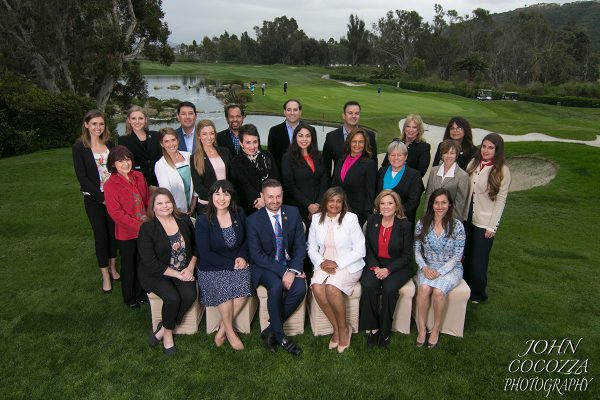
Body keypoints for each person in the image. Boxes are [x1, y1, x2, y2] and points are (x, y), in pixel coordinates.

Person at [246, 179, 306, 356]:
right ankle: (281, 337)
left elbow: (300, 246)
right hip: (265, 266)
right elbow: (256, 255)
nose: (274, 200)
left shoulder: (293, 213)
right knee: (275, 286)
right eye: (270, 197)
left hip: (288, 263)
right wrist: (284, 273)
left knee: (300, 288)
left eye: (278, 196)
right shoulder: (253, 220)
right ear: (262, 196)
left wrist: (294, 270)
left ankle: (270, 330)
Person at [138, 188, 197, 356]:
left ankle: (163, 329)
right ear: (153, 207)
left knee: (189, 295)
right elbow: (150, 262)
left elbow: (197, 246)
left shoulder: (184, 219)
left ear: (173, 203)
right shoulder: (147, 228)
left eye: (168, 202)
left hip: (184, 268)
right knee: (172, 298)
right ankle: (168, 335)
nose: (164, 206)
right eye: (159, 203)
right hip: (157, 273)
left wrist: (190, 267)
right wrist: (178, 274)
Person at [195, 180, 252, 350]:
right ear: (211, 196)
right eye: (217, 194)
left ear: (231, 197)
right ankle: (230, 332)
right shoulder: (203, 220)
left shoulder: (239, 213)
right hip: (212, 267)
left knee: (244, 287)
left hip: (236, 261)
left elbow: (247, 239)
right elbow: (205, 253)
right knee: (225, 292)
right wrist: (230, 265)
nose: (222, 198)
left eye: (226, 194)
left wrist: (242, 256)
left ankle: (221, 329)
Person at [307, 187, 365, 353]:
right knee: (317, 288)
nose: (334, 204)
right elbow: (311, 247)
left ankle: (344, 331)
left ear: (343, 203)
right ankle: (338, 328)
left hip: (348, 263)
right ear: (325, 202)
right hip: (324, 262)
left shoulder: (351, 219)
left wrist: (337, 263)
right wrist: (321, 261)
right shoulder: (317, 218)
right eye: (331, 200)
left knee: (331, 288)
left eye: (338, 201)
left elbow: (360, 250)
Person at [72, 109, 119, 293]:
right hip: (94, 199)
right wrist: (101, 198)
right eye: (94, 124)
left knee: (113, 234)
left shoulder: (109, 143)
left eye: (101, 124)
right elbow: (82, 177)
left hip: (113, 197)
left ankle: (113, 267)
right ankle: (105, 275)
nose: (98, 127)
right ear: (86, 125)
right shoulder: (79, 147)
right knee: (101, 236)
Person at [359, 190, 413, 348]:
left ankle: (385, 330)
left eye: (390, 203)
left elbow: (407, 255)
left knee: (389, 289)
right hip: (375, 263)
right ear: (378, 206)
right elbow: (368, 247)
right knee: (369, 285)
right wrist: (375, 267)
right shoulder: (372, 220)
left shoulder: (405, 225)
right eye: (382, 203)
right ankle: (373, 329)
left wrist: (388, 270)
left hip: (397, 266)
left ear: (396, 206)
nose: (386, 206)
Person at [414, 188, 465, 349]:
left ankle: (436, 329)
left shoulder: (457, 226)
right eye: (436, 202)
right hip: (427, 265)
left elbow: (457, 255)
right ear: (431, 204)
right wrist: (424, 267)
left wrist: (440, 272)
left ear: (449, 205)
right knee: (423, 289)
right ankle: (422, 328)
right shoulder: (422, 223)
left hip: (450, 268)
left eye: (444, 202)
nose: (440, 206)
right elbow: (416, 249)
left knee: (438, 292)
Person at [463, 133, 511, 303]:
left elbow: (501, 201)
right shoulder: (474, 163)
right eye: (484, 146)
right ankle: (464, 288)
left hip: (484, 221)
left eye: (491, 147)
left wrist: (493, 226)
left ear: (497, 150)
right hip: (467, 217)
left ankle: (477, 293)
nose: (486, 150)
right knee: (465, 255)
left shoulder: (502, 170)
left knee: (478, 259)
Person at [104, 145, 150, 309]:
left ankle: (140, 292)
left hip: (145, 229)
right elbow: (116, 213)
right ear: (113, 164)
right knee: (129, 266)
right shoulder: (110, 185)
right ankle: (129, 297)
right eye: (120, 161)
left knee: (142, 262)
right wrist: (139, 226)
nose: (125, 164)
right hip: (126, 233)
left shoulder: (138, 176)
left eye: (127, 159)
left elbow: (147, 200)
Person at [281, 122, 328, 226]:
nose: (304, 139)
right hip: (298, 208)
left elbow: (324, 180)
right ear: (295, 137)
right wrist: (308, 205)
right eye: (300, 136)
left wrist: (317, 204)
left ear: (312, 138)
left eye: (308, 136)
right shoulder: (287, 157)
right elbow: (289, 186)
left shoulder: (318, 155)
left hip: (318, 208)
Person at [331, 128, 377, 227]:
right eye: (354, 141)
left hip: (357, 213)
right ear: (349, 142)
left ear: (365, 144)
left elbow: (370, 192)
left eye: (361, 142)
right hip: (337, 209)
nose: (357, 145)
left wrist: (367, 215)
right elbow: (334, 185)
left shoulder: (369, 164)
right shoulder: (341, 160)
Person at [229, 124, 279, 215]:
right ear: (241, 143)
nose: (252, 147)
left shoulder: (267, 156)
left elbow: (276, 179)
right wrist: (262, 200)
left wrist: (266, 199)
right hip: (250, 210)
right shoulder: (236, 163)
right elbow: (245, 187)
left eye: (255, 142)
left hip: (274, 205)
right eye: (248, 142)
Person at [323, 101, 378, 178]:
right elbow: (326, 167)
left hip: (362, 186)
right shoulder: (331, 137)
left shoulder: (369, 136)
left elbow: (374, 164)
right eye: (350, 113)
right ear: (343, 115)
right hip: (338, 186)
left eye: (356, 113)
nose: (354, 116)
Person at [190, 120, 232, 215]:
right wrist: (216, 198)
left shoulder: (225, 151)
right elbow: (198, 186)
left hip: (226, 202)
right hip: (207, 205)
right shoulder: (195, 158)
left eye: (211, 133)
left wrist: (226, 197)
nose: (209, 137)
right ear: (198, 136)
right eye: (204, 134)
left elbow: (231, 177)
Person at [377, 140, 422, 225]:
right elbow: (376, 194)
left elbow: (413, 202)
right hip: (381, 217)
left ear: (405, 157)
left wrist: (394, 212)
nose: (396, 158)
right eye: (393, 155)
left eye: (399, 155)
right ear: (389, 157)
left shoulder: (414, 175)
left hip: (402, 219)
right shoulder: (382, 171)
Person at [424, 139, 469, 221]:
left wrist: (453, 222)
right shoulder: (434, 171)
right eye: (446, 153)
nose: (448, 156)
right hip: (432, 216)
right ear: (442, 155)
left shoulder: (462, 176)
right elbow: (428, 195)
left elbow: (460, 203)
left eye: (452, 153)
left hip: (448, 218)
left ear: (456, 155)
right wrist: (426, 216)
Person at [154, 128, 196, 214]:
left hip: (193, 206)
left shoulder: (188, 156)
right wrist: (175, 211)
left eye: (173, 140)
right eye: (166, 141)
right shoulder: (160, 165)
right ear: (162, 144)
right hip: (176, 210)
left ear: (178, 140)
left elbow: (196, 180)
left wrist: (193, 203)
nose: (171, 144)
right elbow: (166, 192)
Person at [117, 105, 161, 187]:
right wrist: (147, 185)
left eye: (140, 118)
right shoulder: (123, 140)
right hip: (139, 183)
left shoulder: (155, 135)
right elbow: (127, 166)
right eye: (133, 118)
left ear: (146, 120)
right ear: (129, 120)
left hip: (160, 180)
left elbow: (161, 159)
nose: (137, 121)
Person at [268, 99, 303, 175]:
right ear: (284, 112)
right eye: (289, 110)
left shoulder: (310, 131)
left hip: (304, 180)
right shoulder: (274, 131)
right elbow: (271, 159)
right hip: (281, 179)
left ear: (300, 112)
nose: (292, 113)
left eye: (295, 110)